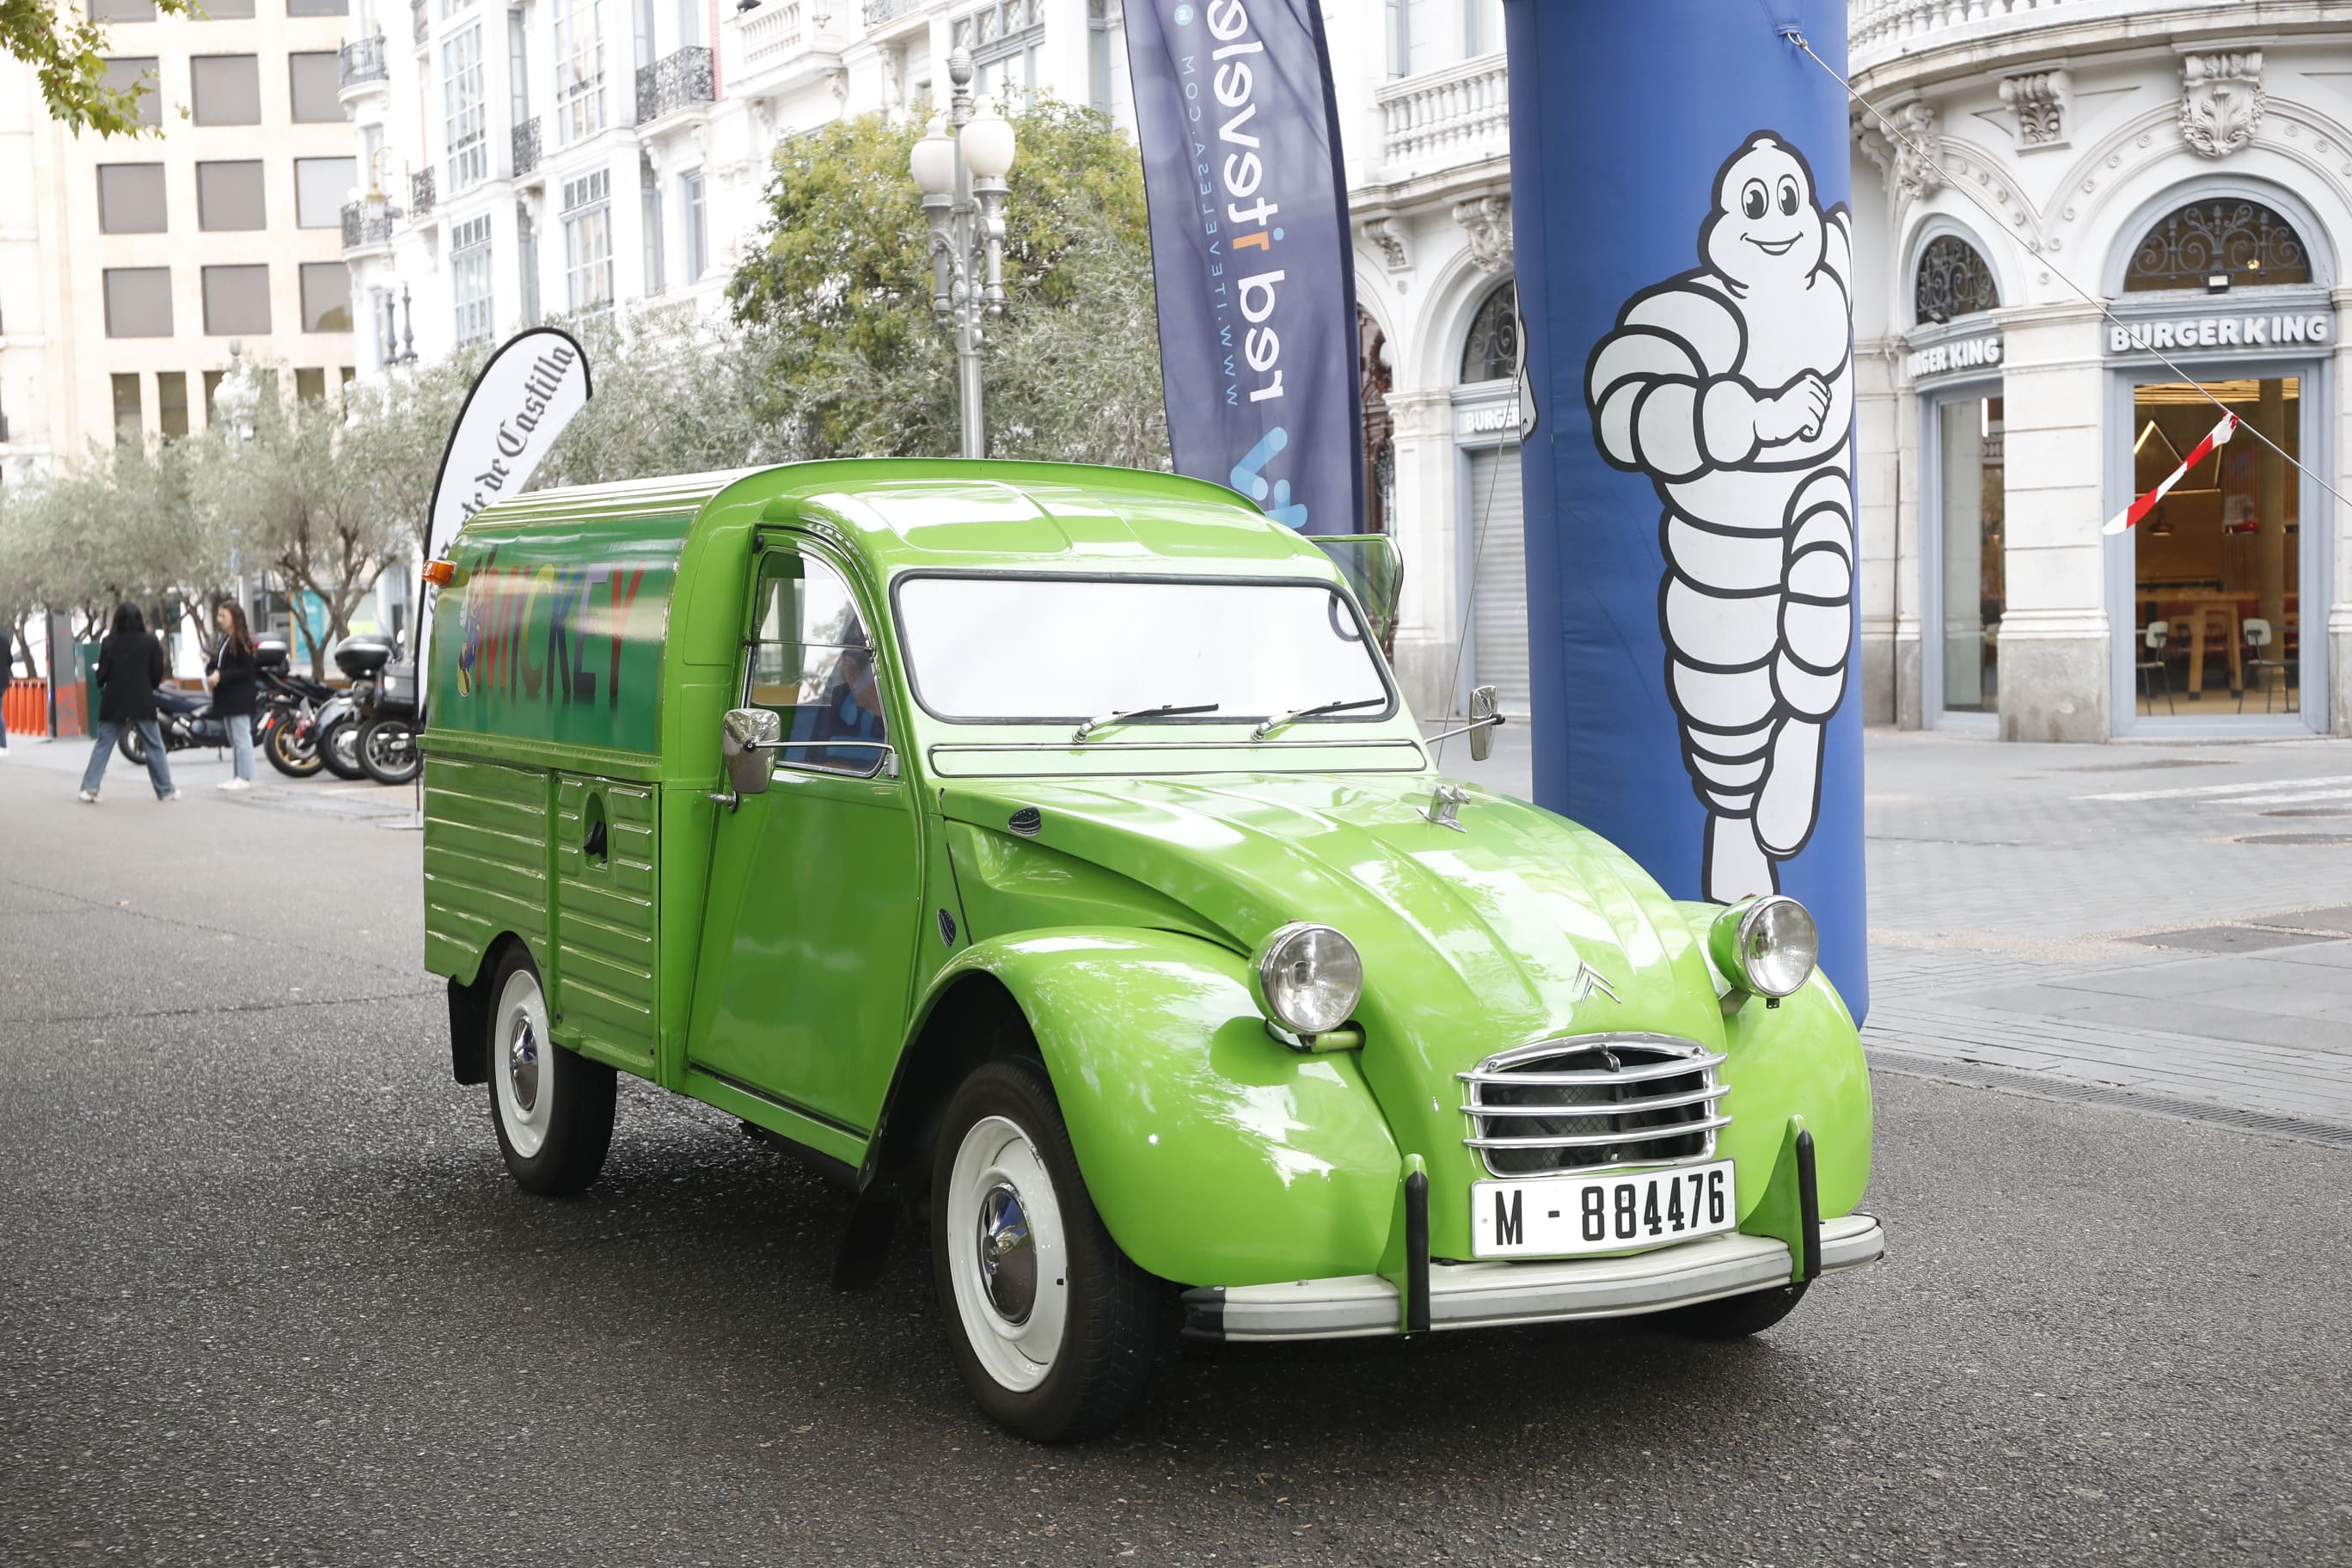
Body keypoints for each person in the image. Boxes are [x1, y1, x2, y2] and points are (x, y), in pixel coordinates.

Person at [79, 603, 178, 803]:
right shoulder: (151, 642)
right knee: (154, 745)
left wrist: (103, 680)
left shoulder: (109, 642)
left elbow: (102, 675)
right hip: (142, 700)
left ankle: (89, 788)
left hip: (113, 700)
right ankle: (165, 790)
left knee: (103, 745)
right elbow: (157, 674)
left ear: (116, 620)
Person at [205, 600, 259, 790]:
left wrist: (222, 675)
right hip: (229, 697)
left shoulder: (241, 640)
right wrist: (212, 668)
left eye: (223, 616)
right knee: (235, 739)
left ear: (234, 618)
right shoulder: (227, 639)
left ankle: (245, 776)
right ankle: (238, 775)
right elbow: (222, 665)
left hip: (239, 697)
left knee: (241, 738)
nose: (220, 620)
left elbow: (247, 671)